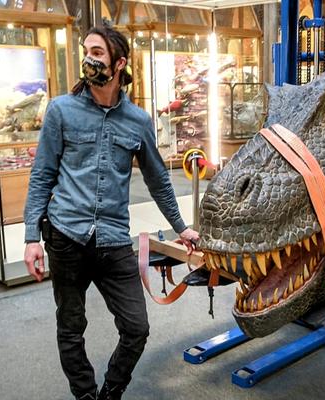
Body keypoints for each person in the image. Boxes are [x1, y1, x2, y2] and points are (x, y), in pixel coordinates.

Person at [23, 25, 199, 400]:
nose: (89, 59)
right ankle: (86, 396)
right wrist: (31, 239)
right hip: (66, 237)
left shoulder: (137, 121)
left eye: (98, 53)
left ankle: (111, 392)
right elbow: (41, 177)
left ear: (119, 63)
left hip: (113, 239)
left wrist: (181, 228)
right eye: (86, 50)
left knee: (137, 327)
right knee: (71, 328)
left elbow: (158, 181)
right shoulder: (61, 111)